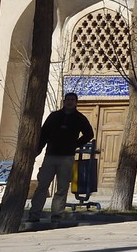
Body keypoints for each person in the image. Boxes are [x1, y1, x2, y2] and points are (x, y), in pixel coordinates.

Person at [28, 91, 94, 225]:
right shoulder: (54, 116)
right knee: (42, 186)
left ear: (76, 102)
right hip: (50, 156)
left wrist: (75, 144)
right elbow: (43, 134)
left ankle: (57, 215)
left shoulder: (79, 118)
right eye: (68, 99)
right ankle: (34, 214)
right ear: (64, 101)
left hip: (67, 157)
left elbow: (89, 134)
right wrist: (38, 150)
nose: (70, 102)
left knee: (62, 188)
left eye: (72, 100)